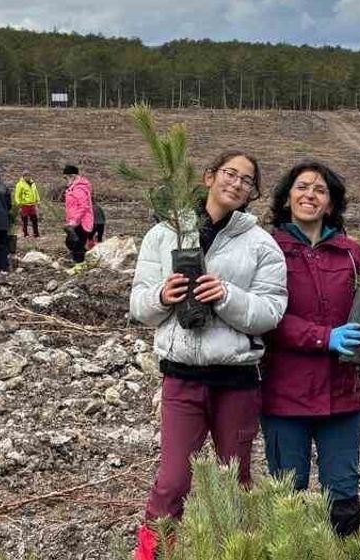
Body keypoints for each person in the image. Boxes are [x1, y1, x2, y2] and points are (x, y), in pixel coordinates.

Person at [130, 151, 287, 559]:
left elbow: (269, 313)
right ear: (209, 176)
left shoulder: (262, 246)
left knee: (235, 480)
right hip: (181, 376)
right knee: (172, 481)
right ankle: (152, 553)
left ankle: (235, 552)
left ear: (253, 193)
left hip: (236, 381)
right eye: (229, 174)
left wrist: (227, 296)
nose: (236, 183)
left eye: (247, 180)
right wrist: (161, 296)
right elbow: (138, 305)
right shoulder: (164, 234)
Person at [262, 160, 360, 538]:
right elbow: (266, 317)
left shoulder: (352, 253)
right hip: (285, 394)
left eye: (320, 190)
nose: (310, 195)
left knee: (344, 495)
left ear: (330, 204)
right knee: (289, 494)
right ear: (287, 198)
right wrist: (323, 337)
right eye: (302, 187)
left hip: (342, 394)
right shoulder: (267, 247)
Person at [62, 165, 94, 263]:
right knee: (70, 242)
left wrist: (75, 221)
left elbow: (83, 206)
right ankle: (84, 259)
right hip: (74, 221)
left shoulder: (79, 188)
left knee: (77, 244)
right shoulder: (73, 188)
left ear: (72, 176)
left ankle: (80, 264)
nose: (65, 180)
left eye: (66, 177)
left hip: (81, 222)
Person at [13, 172, 41, 238]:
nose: (28, 177)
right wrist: (18, 203)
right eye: (26, 176)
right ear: (24, 176)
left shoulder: (33, 183)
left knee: (34, 219)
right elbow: (17, 195)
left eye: (29, 176)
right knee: (25, 220)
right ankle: (25, 234)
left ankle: (36, 233)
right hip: (24, 204)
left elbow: (35, 192)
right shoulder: (20, 184)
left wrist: (38, 200)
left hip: (32, 204)